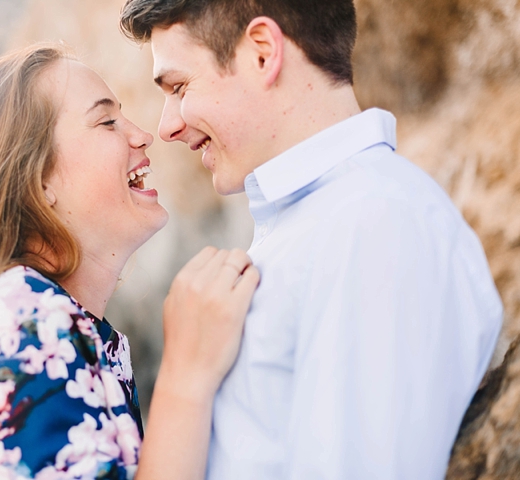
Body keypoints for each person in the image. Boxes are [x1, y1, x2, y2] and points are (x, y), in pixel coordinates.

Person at [0, 45, 259, 480]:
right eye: (107, 121)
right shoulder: (18, 322)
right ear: (37, 180)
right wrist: (185, 379)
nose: (142, 134)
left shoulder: (23, 317)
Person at [119, 1, 504, 478]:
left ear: (263, 52)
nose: (166, 125)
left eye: (178, 87)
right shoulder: (328, 224)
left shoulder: (374, 225)